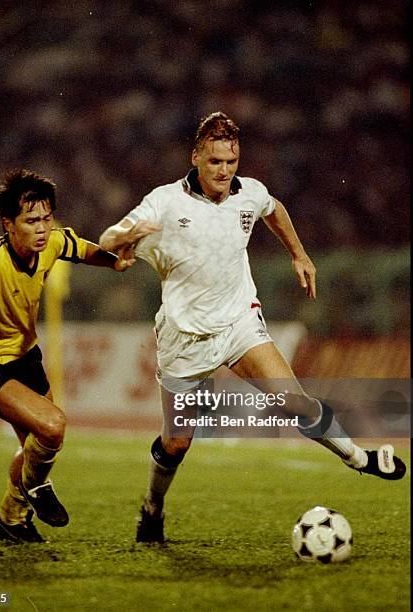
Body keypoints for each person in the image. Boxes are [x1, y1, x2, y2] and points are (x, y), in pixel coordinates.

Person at [99, 112, 406, 544]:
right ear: (196, 158)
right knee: (176, 443)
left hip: (240, 323)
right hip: (184, 340)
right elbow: (114, 233)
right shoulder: (166, 201)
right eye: (215, 162)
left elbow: (273, 209)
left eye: (231, 161)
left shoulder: (249, 193)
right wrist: (118, 241)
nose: (224, 171)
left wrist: (298, 254)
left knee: (296, 402)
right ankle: (153, 508)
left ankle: (360, 458)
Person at [0, 168, 160, 543]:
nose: (41, 228)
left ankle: (12, 518)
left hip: (23, 354)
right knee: (51, 427)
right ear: (8, 224)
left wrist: (113, 261)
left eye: (46, 219)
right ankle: (36, 489)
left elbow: (80, 248)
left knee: (36, 446)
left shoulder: (49, 243)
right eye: (31, 221)